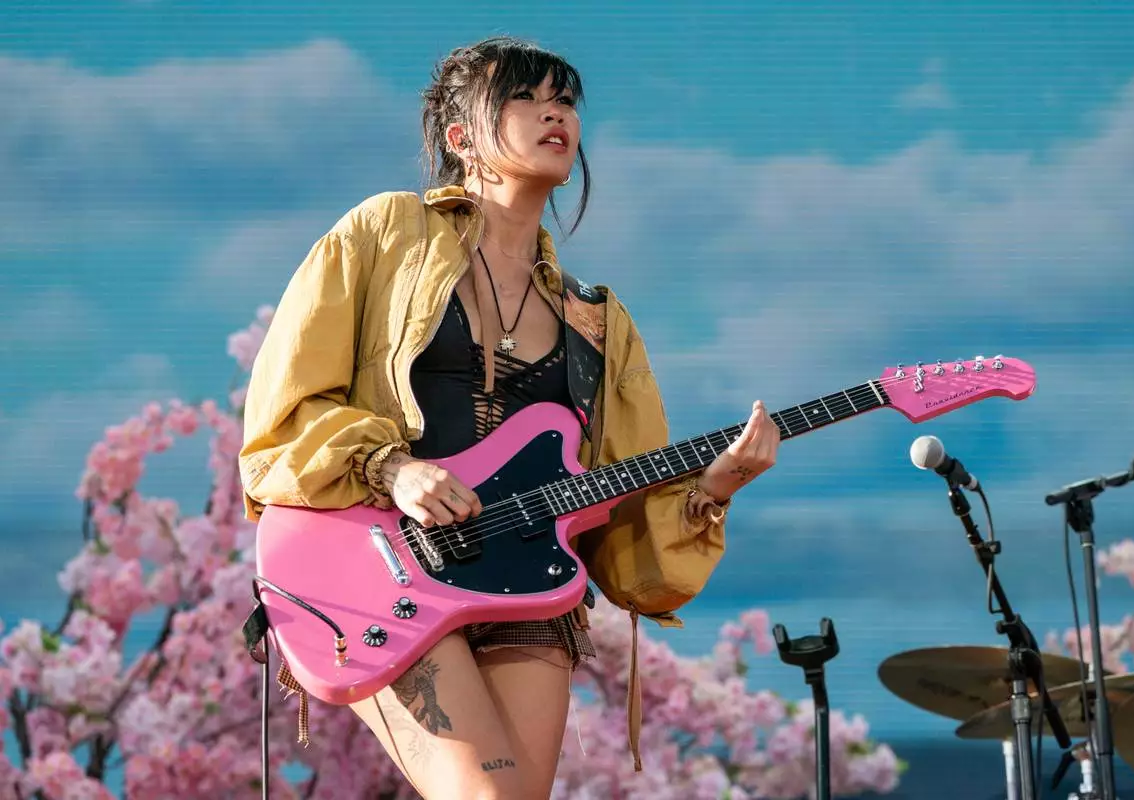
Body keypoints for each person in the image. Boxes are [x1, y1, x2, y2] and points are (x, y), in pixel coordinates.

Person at [239, 36, 780, 800]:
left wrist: (712, 490)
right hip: (383, 568)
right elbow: (286, 407)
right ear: (461, 137)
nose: (554, 113)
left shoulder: (598, 321)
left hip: (530, 588)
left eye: (565, 101)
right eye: (524, 98)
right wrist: (392, 468)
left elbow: (625, 529)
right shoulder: (385, 235)